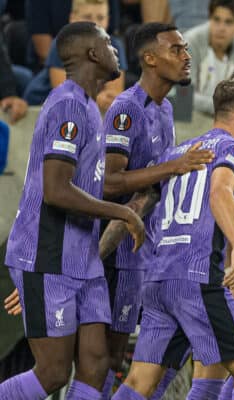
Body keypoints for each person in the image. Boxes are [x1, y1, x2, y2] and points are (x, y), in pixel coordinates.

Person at [0, 21, 145, 400]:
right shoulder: (67, 105)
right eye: (110, 43)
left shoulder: (89, 106)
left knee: (98, 363)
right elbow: (55, 190)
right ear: (93, 54)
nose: (116, 51)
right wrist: (124, 212)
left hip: (81, 258)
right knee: (52, 373)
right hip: (47, 254)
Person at [110, 78, 234, 400]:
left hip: (158, 281)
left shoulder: (180, 152)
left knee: (140, 382)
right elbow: (219, 192)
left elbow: (163, 211)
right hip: (197, 280)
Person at [98, 22, 214, 399]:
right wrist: (172, 167)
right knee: (103, 358)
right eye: (176, 50)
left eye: (185, 49)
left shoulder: (164, 109)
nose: (186, 56)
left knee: (118, 358)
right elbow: (109, 183)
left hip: (145, 251)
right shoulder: (126, 109)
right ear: (150, 58)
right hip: (114, 251)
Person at [24, 0, 128, 112]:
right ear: (73, 18)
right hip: (40, 103)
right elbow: (64, 95)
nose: (95, 24)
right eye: (87, 17)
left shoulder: (115, 46)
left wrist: (106, 100)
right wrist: (96, 100)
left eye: (101, 18)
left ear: (108, 20)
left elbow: (113, 94)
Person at [184, 0, 234, 115]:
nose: (221, 28)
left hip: (223, 117)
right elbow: (185, 97)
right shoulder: (190, 43)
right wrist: (223, 106)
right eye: (216, 20)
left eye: (228, 22)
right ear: (210, 19)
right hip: (189, 116)